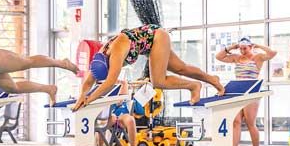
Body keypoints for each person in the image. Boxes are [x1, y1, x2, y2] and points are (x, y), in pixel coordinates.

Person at [73, 24, 224, 112]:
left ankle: (193, 86)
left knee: (158, 81)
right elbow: (88, 82)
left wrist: (89, 99)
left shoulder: (115, 53)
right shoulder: (98, 60)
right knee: (181, 68)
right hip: (150, 42)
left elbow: (110, 82)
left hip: (156, 37)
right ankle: (213, 80)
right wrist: (82, 96)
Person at [215, 37, 277, 146]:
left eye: (245, 48)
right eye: (241, 49)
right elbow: (218, 57)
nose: (242, 51)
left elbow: (273, 53)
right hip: (238, 92)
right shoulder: (236, 57)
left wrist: (258, 45)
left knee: (250, 123)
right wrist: (231, 47)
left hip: (252, 93)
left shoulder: (257, 58)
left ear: (250, 47)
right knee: (236, 122)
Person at [95, 81, 137, 146]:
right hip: (109, 115)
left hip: (122, 115)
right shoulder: (102, 85)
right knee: (104, 121)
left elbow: (121, 100)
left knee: (130, 120)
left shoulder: (121, 83)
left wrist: (122, 83)